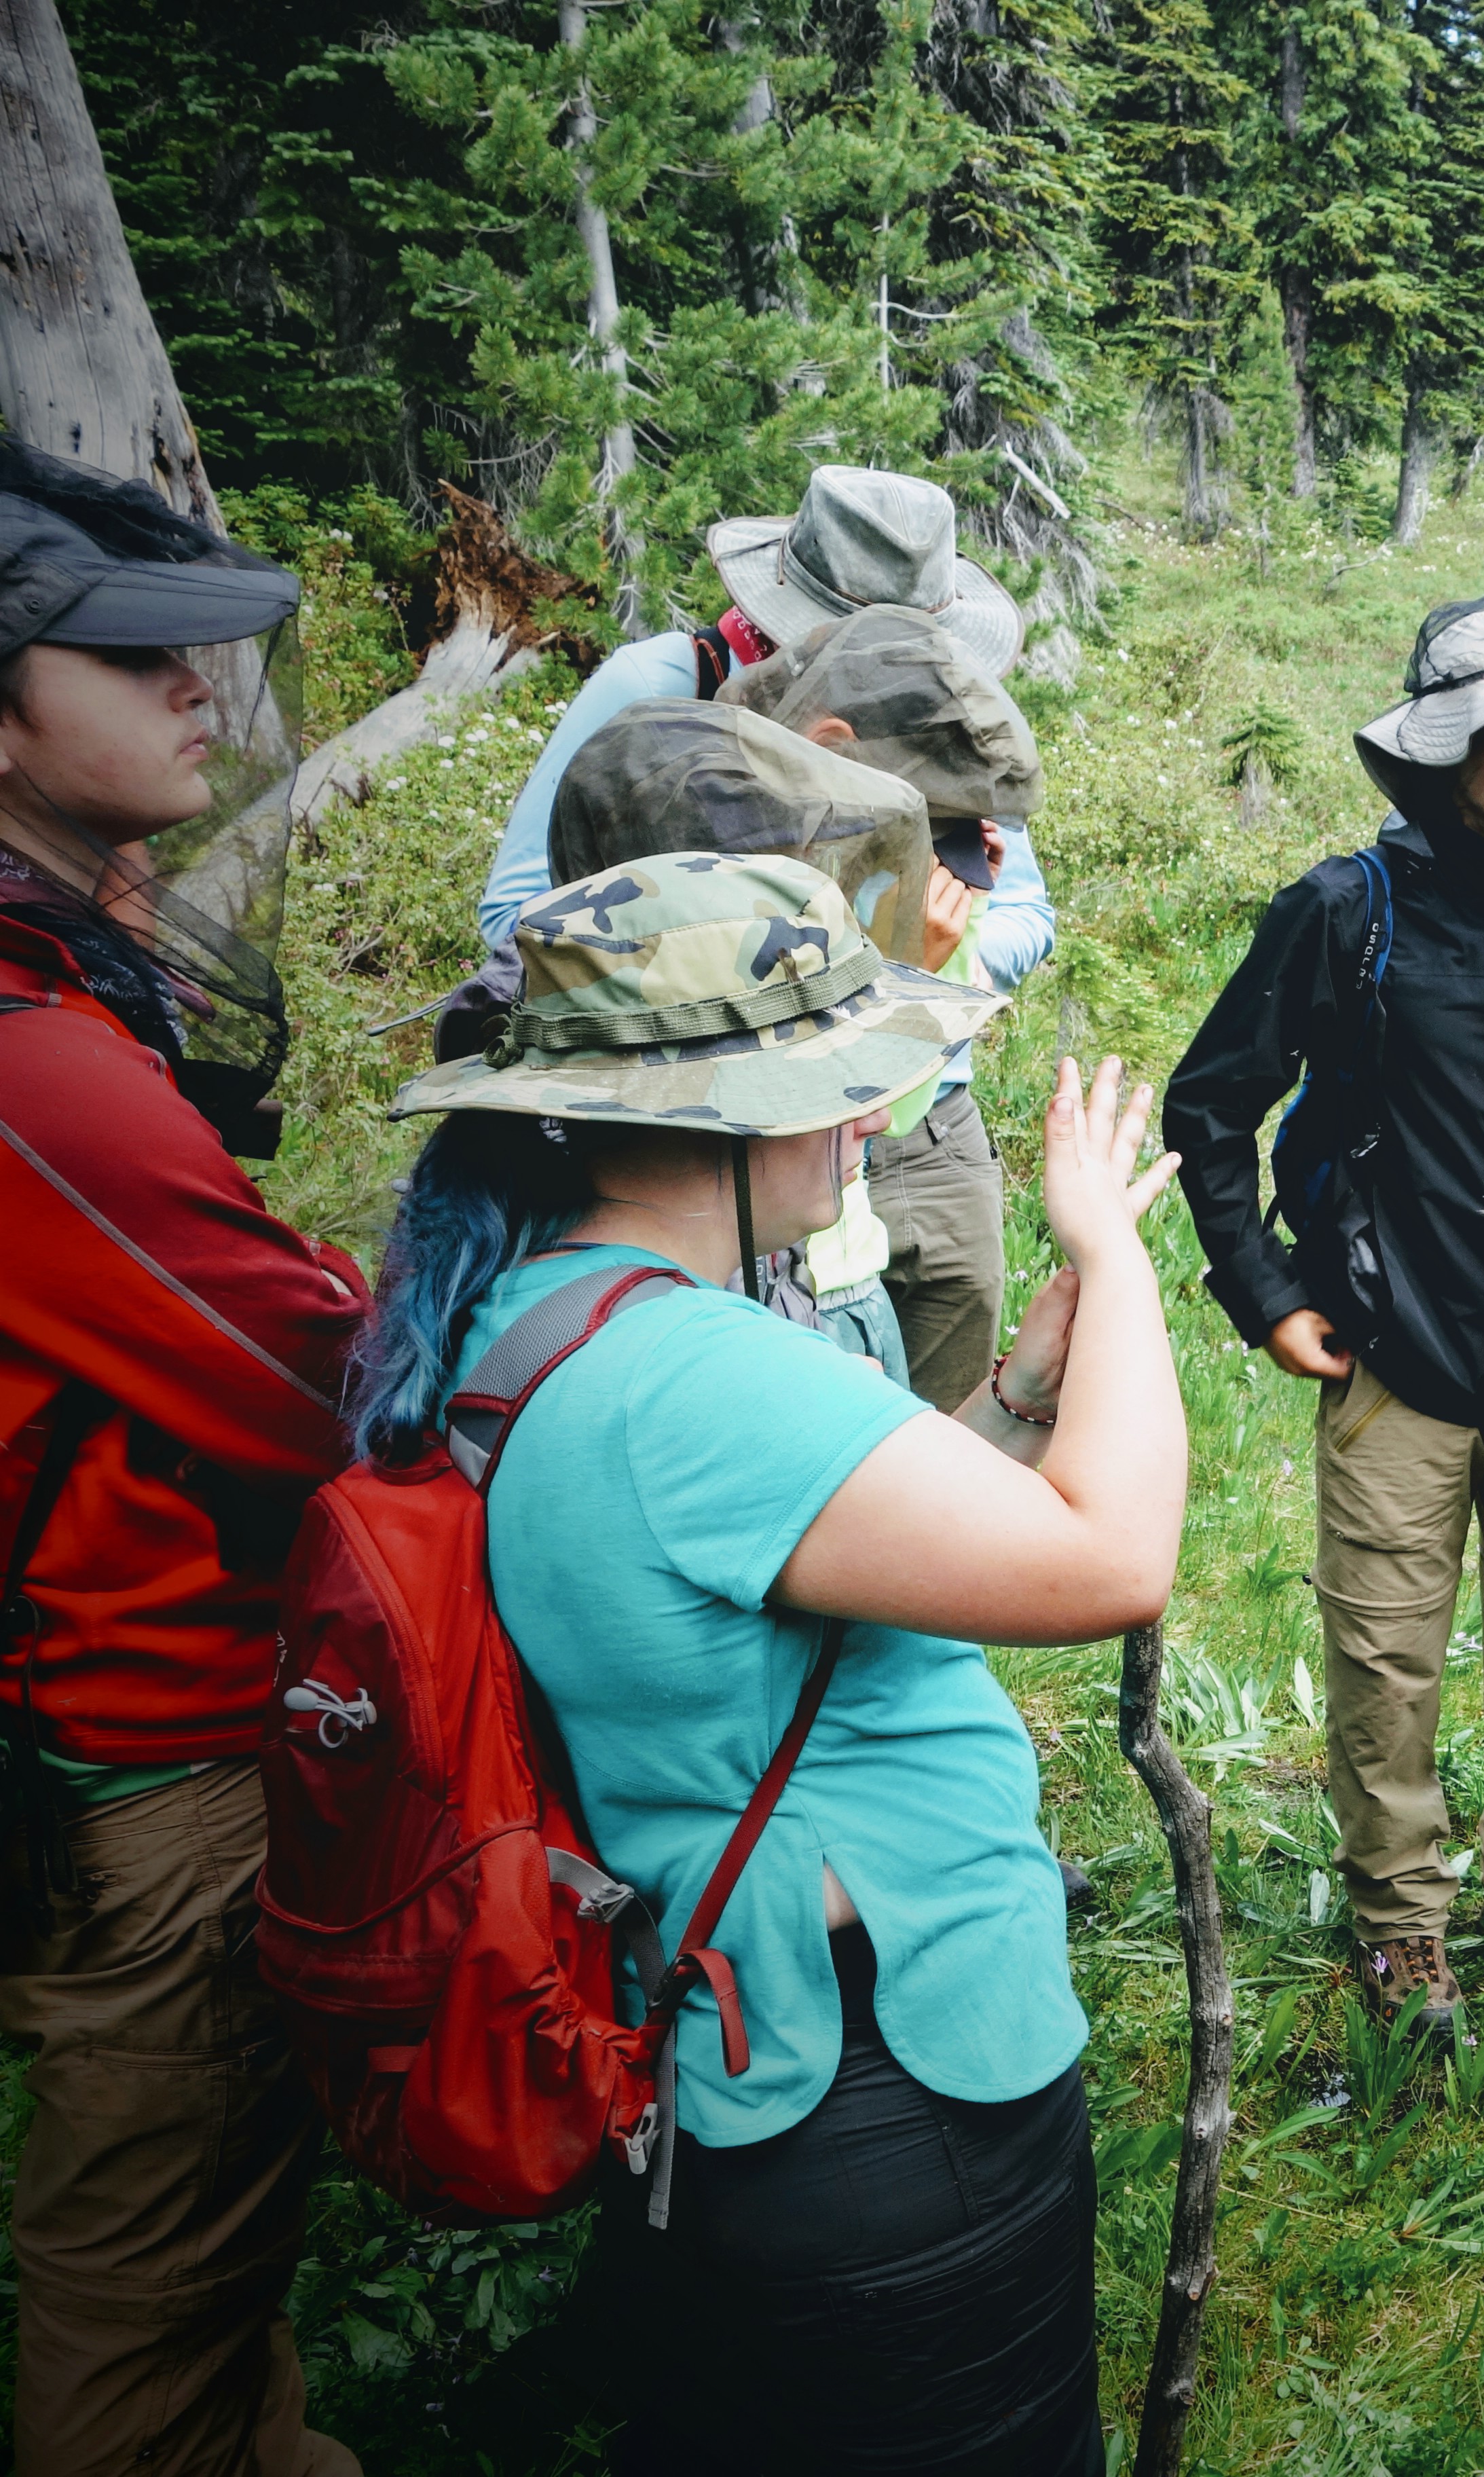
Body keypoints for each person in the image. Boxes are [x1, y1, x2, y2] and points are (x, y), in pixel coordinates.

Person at [351, 849, 1181, 2475]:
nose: (867, 1115)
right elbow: (1113, 1557)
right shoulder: (698, 1376)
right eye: (834, 1080)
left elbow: (785, 1558)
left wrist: (1011, 1400)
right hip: (891, 2083)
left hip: (736, 2047)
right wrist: (1120, 1260)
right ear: (725, 1114)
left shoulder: (543, 1319)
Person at [0, 442, 366, 2477]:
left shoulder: (62, 997)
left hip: (70, 1735)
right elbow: (312, 1375)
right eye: (130, 660)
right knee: (140, 2313)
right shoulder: (35, 1065)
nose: (196, 695)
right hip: (147, 1764)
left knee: (215, 2278)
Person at [1166, 596, 1484, 2036]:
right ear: (1439, 756)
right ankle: (1401, 1929)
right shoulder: (1349, 912)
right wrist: (1265, 1294)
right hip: (1401, 1359)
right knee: (1388, 1662)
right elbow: (1209, 1112)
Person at [469, 466, 1050, 1404]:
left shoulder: (934, 707)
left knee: (935, 1427)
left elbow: (1024, 907)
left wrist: (943, 951)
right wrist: (858, 962)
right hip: (729, 1121)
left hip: (923, 1119)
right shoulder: (667, 688)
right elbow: (520, 918)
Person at [712, 600, 1056, 1398]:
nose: (944, 846)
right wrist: (916, 973)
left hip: (845, 1262)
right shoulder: (738, 861)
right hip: (766, 1277)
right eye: (929, 820)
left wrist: (931, 959)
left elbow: (890, 1115)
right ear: (834, 749)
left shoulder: (930, 890)